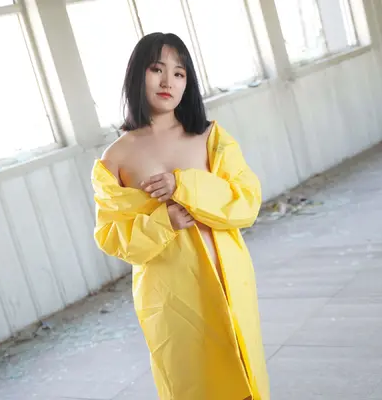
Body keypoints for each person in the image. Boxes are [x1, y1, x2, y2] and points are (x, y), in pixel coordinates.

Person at [91, 32, 269, 400]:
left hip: (226, 279)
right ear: (137, 75)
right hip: (170, 298)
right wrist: (164, 223)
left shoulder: (209, 137)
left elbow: (246, 201)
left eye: (179, 73)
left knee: (242, 380)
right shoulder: (116, 158)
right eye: (157, 69)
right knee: (191, 384)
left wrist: (184, 185)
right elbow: (112, 237)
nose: (168, 82)